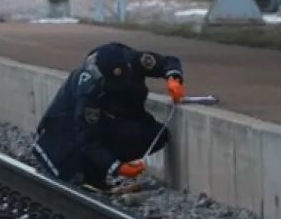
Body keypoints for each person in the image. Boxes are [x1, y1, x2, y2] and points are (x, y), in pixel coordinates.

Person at [32, 43, 185, 194]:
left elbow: (168, 62)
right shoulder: (89, 90)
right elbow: (86, 140)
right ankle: (91, 174)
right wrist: (116, 167)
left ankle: (97, 169)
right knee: (70, 166)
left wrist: (173, 78)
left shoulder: (133, 59)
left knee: (156, 134)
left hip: (116, 117)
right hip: (65, 130)